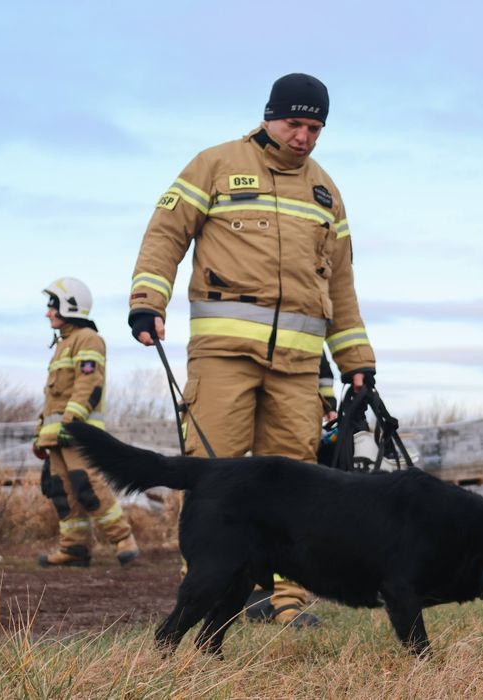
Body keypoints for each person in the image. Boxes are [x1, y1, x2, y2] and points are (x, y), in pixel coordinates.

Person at [128, 73, 376, 625]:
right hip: (223, 358)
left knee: (297, 486)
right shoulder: (214, 165)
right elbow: (166, 232)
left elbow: (340, 286)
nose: (304, 137)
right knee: (213, 478)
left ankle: (286, 600)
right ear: (270, 115)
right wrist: (148, 298)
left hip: (296, 368)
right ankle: (207, 594)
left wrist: (357, 360)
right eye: (295, 123)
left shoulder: (326, 192)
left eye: (316, 128)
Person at [33, 277, 139, 567]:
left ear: (69, 307)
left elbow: (89, 384)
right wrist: (39, 435)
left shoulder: (88, 340)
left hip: (76, 433)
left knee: (87, 486)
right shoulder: (63, 344)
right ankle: (74, 549)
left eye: (52, 306)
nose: (48, 312)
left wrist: (71, 423)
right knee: (62, 491)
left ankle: (123, 539)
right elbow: (52, 396)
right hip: (56, 437)